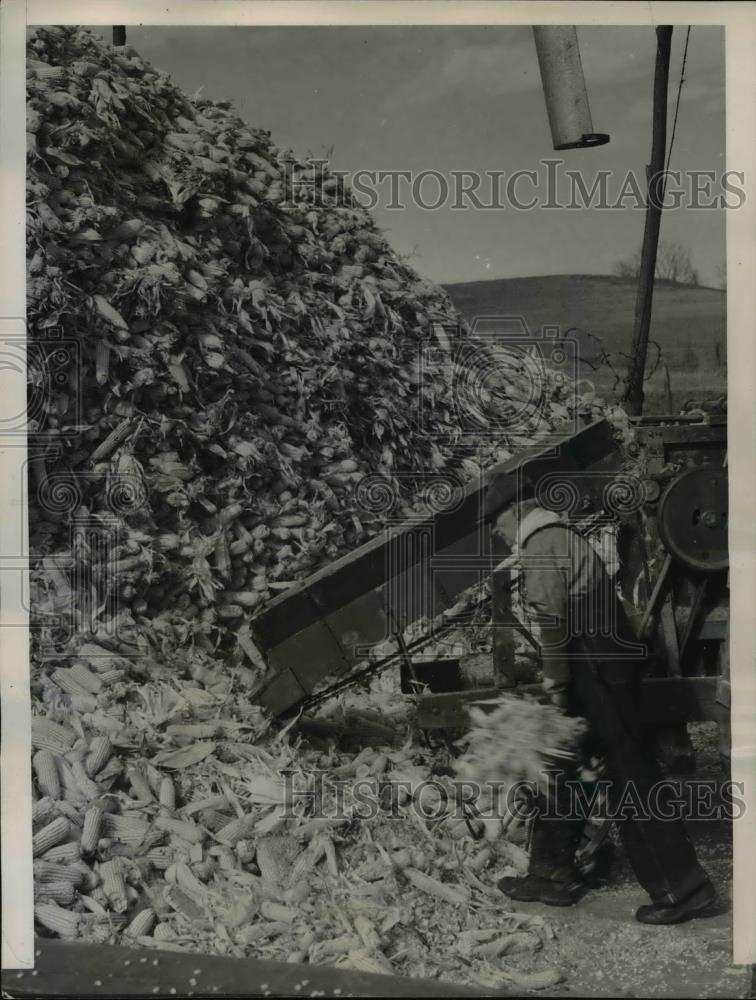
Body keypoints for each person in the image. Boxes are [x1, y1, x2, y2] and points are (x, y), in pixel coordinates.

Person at [491, 496, 718, 925]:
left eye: (497, 521)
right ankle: (551, 873)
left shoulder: (541, 543)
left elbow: (553, 622)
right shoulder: (560, 535)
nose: (495, 532)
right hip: (603, 663)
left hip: (595, 669)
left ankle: (684, 889)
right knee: (564, 763)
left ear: (517, 511)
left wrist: (555, 685)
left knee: (628, 773)